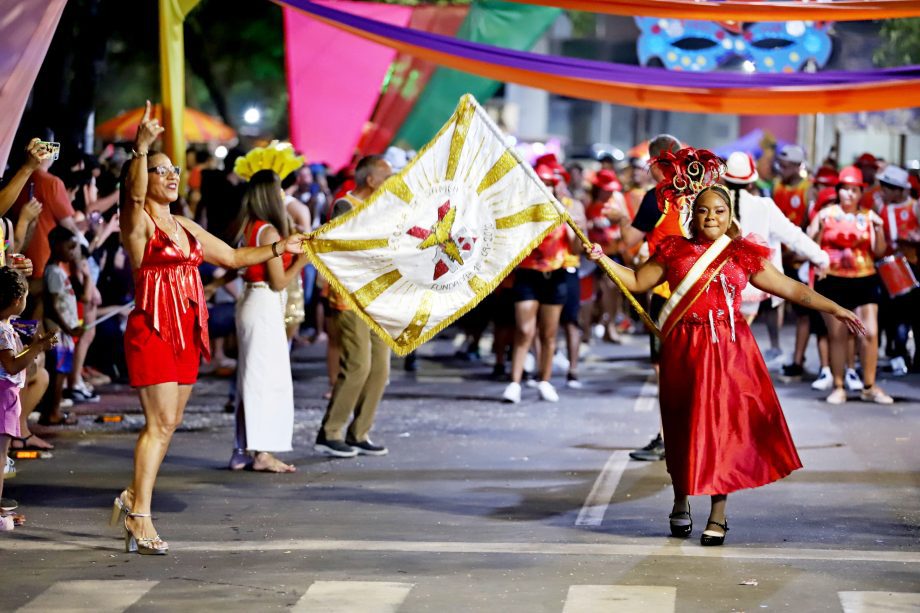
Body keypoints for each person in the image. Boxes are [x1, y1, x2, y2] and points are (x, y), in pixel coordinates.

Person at [586, 153, 865, 546]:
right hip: (683, 348)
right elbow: (635, 282)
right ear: (692, 215)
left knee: (724, 431)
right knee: (681, 425)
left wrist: (836, 308)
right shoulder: (672, 251)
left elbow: (792, 289)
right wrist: (604, 261)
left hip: (731, 350)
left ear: (729, 213)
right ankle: (681, 499)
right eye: (703, 211)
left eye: (718, 210)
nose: (711, 217)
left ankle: (718, 513)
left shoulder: (741, 253)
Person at [112, 102, 307, 555]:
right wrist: (141, 149)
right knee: (158, 423)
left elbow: (237, 258)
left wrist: (283, 245)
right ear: (141, 177)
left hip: (186, 331)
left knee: (171, 422)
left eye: (174, 169)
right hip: (154, 328)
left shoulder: (184, 226)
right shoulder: (137, 223)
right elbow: (136, 198)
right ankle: (140, 515)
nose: (172, 176)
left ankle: (132, 499)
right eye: (162, 171)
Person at [229, 163, 310, 473]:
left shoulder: (248, 225)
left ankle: (241, 449)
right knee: (266, 378)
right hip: (263, 301)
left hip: (249, 300)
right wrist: (302, 262)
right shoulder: (269, 231)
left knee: (249, 377)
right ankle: (261, 452)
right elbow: (278, 281)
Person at [313, 155, 392, 458]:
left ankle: (360, 432)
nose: (391, 183)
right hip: (350, 299)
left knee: (380, 369)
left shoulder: (383, 207)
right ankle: (330, 431)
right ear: (371, 180)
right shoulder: (344, 207)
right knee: (359, 365)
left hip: (378, 299)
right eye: (386, 178)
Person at [721, 152, 829, 366]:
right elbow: (794, 236)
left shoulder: (713, 205)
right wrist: (822, 258)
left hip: (718, 284)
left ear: (724, 179)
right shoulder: (764, 207)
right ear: (752, 182)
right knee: (734, 342)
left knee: (724, 341)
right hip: (753, 286)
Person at [618, 134, 684, 462]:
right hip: (702, 292)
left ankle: (668, 438)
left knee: (666, 371)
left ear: (657, 161)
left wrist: (619, 218)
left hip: (666, 293)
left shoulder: (656, 197)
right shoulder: (699, 192)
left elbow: (627, 239)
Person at [808, 166, 891, 404]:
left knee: (871, 332)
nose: (849, 195)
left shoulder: (868, 216)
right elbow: (810, 245)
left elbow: (879, 251)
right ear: (839, 191)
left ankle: (869, 385)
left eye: (854, 190)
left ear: (860, 192)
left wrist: (879, 229)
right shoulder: (826, 214)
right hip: (832, 279)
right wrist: (820, 229)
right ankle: (838, 385)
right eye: (845, 189)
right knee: (838, 335)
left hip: (864, 277)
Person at [501, 165, 580, 404]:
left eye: (549, 183)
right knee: (524, 330)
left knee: (549, 334)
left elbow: (576, 249)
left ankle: (544, 380)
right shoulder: (524, 209)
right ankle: (514, 383)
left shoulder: (565, 210)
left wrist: (574, 227)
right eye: (540, 183)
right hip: (527, 274)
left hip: (555, 276)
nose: (545, 187)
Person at [0, 266, 57, 530]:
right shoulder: (1, 331)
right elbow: (11, 365)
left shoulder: (7, 326)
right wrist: (37, 348)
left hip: (7, 396)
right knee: (0, 456)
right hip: (4, 397)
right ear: (16, 300)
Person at [876, 165, 919, 375]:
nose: (882, 191)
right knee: (897, 317)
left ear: (900, 189)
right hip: (893, 270)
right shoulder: (882, 209)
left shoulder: (915, 207)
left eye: (887, 187)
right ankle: (900, 355)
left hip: (916, 266)